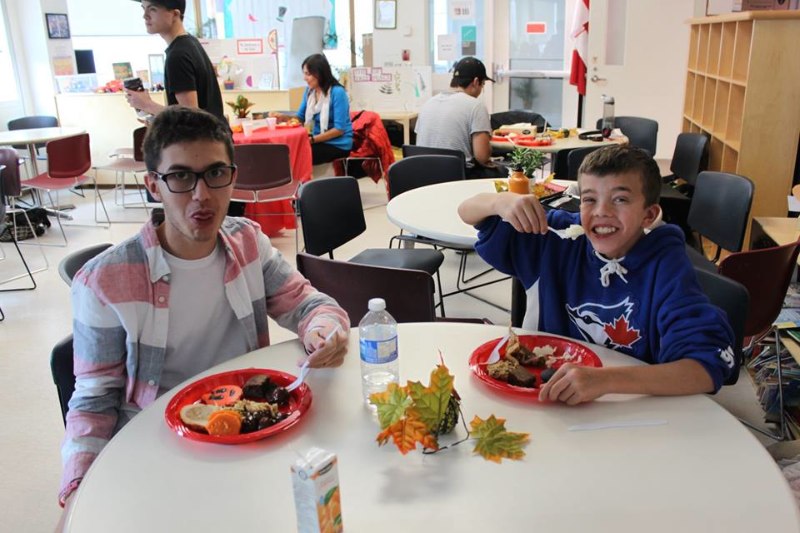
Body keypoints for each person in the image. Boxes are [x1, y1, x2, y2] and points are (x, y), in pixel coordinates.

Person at [57, 107, 349, 510]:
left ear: (232, 175)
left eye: (215, 173)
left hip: (251, 431)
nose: (202, 196)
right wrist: (77, 494)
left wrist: (323, 328)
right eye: (180, 177)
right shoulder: (103, 281)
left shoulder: (248, 241)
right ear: (153, 186)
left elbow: (308, 305)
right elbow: (93, 401)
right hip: (162, 448)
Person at [458, 145, 735, 404]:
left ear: (648, 215)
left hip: (630, 410)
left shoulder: (666, 266)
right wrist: (500, 202)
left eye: (621, 199)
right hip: (549, 404)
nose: (602, 211)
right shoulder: (556, 238)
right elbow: (468, 212)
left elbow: (703, 368)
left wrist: (605, 380)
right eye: (589, 199)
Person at [124, 0, 225, 122]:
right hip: (214, 136)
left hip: (204, 139)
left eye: (152, 9)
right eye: (143, 8)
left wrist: (147, 105)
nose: (145, 15)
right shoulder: (190, 43)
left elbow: (191, 118)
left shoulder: (178, 55)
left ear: (175, 14)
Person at [415, 56, 506, 179]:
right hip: (457, 177)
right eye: (482, 84)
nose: (481, 90)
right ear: (475, 82)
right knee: (504, 171)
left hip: (423, 175)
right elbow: (482, 157)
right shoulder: (476, 106)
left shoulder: (428, 103)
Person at [270, 53, 353, 165]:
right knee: (286, 151)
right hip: (318, 140)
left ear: (319, 74)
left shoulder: (337, 92)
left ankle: (302, 182)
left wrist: (312, 140)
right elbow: (300, 118)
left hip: (338, 144)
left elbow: (339, 129)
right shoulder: (309, 92)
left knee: (297, 154)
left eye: (307, 74)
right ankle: (296, 182)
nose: (305, 78)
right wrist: (284, 117)